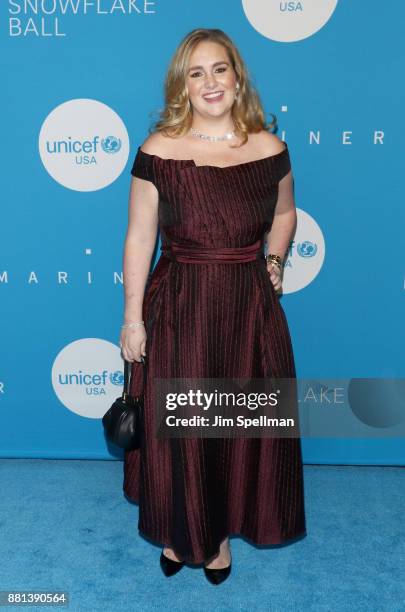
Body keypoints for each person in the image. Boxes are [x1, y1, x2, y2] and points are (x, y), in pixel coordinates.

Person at [120, 27, 307, 585]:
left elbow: (285, 215)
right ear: (183, 85)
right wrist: (133, 318)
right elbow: (138, 237)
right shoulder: (158, 151)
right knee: (185, 426)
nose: (210, 82)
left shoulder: (270, 149)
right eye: (196, 72)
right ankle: (183, 531)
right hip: (179, 304)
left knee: (235, 428)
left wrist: (273, 268)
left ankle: (219, 534)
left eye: (219, 69)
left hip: (248, 309)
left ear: (237, 76)